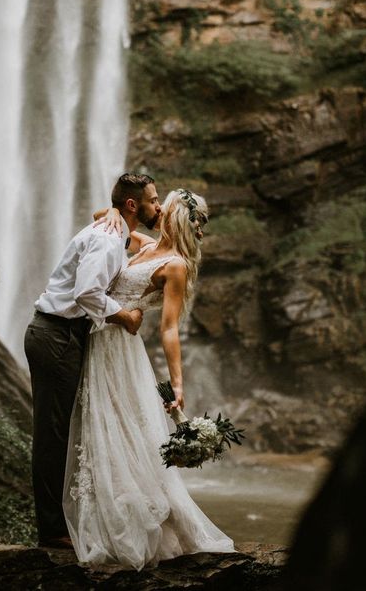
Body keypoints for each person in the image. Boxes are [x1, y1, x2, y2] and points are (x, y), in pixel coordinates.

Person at [63, 189, 234, 569]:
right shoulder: (142, 243)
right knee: (107, 428)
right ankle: (116, 519)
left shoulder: (176, 265)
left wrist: (178, 384)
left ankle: (143, 523)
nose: (157, 210)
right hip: (100, 340)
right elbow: (101, 215)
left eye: (165, 206)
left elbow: (170, 329)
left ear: (175, 216)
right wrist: (111, 210)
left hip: (121, 349)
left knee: (124, 428)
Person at [24, 173, 162, 548]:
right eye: (153, 199)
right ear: (133, 205)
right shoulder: (106, 239)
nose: (158, 204)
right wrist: (126, 317)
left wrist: (114, 214)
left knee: (64, 430)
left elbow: (115, 221)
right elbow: (87, 293)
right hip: (56, 335)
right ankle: (51, 530)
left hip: (64, 336)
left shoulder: (115, 233)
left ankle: (66, 521)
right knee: (53, 434)